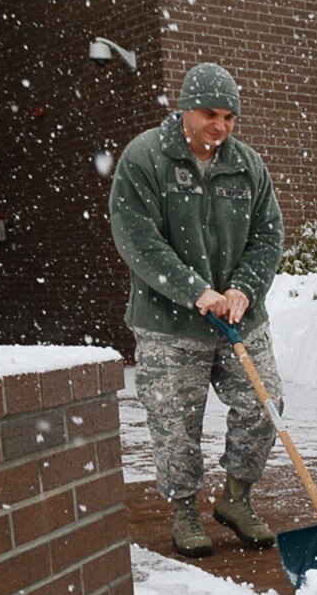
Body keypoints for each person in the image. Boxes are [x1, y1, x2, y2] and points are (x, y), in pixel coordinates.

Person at [110, 61, 286, 555]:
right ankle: (185, 510)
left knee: (264, 403)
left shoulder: (246, 164)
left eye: (230, 117)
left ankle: (236, 498)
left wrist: (244, 289)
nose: (221, 127)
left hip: (238, 320)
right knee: (175, 420)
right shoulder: (146, 158)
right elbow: (136, 238)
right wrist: (194, 290)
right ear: (185, 108)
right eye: (211, 114)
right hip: (170, 324)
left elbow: (268, 235)